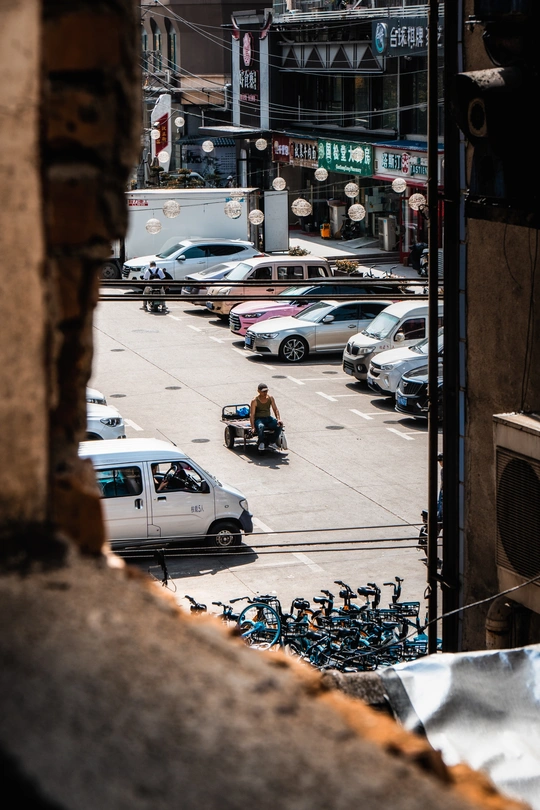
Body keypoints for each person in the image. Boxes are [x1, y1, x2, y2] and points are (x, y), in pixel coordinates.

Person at [250, 383, 282, 451]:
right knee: (261, 427)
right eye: (263, 391)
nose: (265, 393)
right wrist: (252, 427)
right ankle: (261, 442)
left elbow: (275, 409)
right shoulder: (255, 401)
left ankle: (272, 441)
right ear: (258, 391)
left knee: (279, 425)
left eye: (266, 391)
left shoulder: (270, 398)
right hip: (259, 419)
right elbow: (252, 414)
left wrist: (278, 419)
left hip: (268, 418)